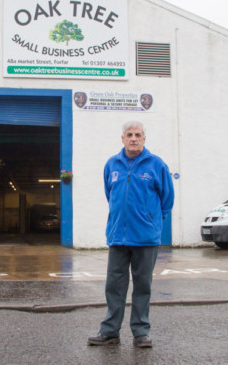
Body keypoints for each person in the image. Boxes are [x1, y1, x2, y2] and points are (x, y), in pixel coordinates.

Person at [88, 120, 174, 349]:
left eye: (137, 134)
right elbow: (110, 194)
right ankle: (110, 331)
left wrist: (153, 222)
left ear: (144, 139)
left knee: (143, 286)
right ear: (123, 138)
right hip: (118, 237)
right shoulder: (112, 165)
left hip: (145, 238)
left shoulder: (156, 165)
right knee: (114, 286)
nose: (133, 138)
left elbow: (167, 199)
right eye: (129, 134)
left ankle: (141, 332)